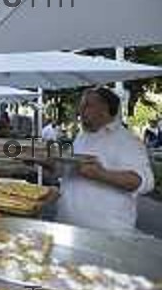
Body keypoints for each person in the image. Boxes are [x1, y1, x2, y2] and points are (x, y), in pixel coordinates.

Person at [56, 87, 155, 232]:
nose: (80, 110)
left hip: (107, 233)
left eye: (87, 105)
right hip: (68, 226)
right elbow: (68, 172)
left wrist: (101, 174)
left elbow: (145, 183)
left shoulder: (127, 141)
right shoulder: (82, 136)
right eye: (81, 106)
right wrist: (49, 164)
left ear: (105, 108)